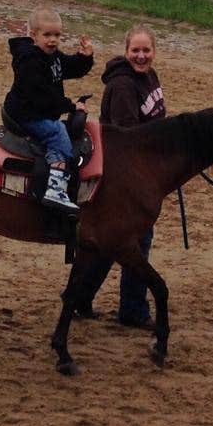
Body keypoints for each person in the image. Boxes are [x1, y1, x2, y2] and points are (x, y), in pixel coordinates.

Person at [79, 24, 165, 329]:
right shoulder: (123, 87)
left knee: (109, 243)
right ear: (126, 51)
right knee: (137, 240)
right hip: (121, 172)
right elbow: (130, 138)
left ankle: (78, 297)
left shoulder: (148, 77)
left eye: (146, 51)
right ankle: (133, 310)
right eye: (135, 51)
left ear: (154, 51)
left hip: (136, 169)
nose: (141, 56)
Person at [4, 8, 94, 213]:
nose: (53, 40)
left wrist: (84, 57)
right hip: (26, 112)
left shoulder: (52, 56)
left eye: (57, 35)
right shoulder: (30, 61)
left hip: (40, 107)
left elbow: (70, 67)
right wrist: (71, 106)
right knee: (57, 132)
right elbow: (42, 98)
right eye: (47, 35)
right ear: (32, 35)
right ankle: (56, 187)